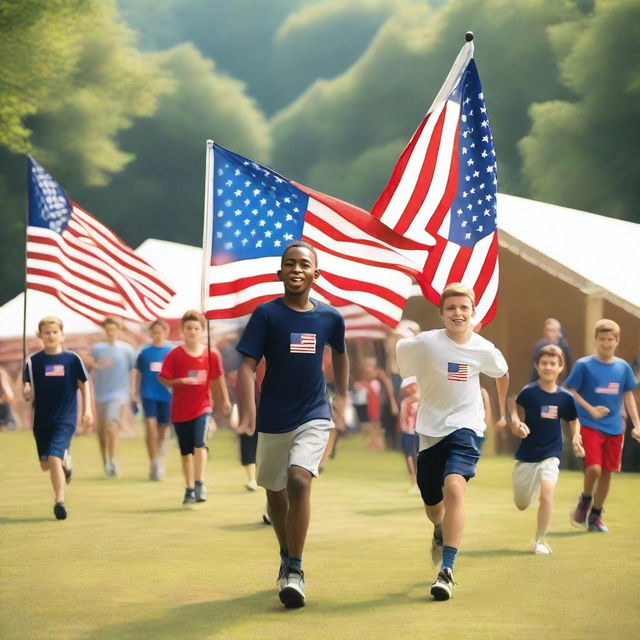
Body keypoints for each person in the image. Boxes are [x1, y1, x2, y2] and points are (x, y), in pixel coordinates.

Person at [236, 241, 348, 609]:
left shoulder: (330, 317)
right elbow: (247, 366)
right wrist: (248, 409)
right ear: (280, 273)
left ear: (316, 274)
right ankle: (286, 553)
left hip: (314, 413)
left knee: (300, 478)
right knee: (275, 494)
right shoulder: (266, 315)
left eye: (304, 264)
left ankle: (296, 570)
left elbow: (341, 354)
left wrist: (342, 396)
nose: (296, 269)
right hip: (272, 418)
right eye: (290, 264)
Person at [396, 282, 509, 601]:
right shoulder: (424, 344)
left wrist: (502, 413)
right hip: (430, 430)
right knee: (433, 505)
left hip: (466, 427)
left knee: (454, 486)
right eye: (451, 308)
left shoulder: (483, 348)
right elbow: (402, 357)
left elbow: (501, 373)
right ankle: (438, 529)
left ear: (474, 314)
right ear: (442, 313)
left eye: (464, 308)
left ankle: (447, 570)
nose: (458, 313)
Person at [566, 319, 640, 532]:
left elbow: (628, 395)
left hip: (616, 428)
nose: (606, 343)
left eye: (610, 340)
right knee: (595, 469)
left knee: (607, 472)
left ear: (617, 341)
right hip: (589, 425)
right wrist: (590, 410)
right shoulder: (584, 365)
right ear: (595, 340)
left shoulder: (623, 367)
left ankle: (596, 516)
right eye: (602, 339)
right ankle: (585, 499)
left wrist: (636, 424)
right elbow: (570, 390)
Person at [509, 345, 584, 554]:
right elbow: (512, 404)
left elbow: (573, 420)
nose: (548, 367)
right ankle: (530, 486)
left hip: (551, 454)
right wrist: (517, 423)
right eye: (544, 363)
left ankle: (541, 540)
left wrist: (576, 436)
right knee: (522, 504)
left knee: (548, 491)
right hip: (527, 456)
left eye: (553, 364)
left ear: (561, 368)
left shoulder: (565, 397)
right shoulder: (529, 392)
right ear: (537, 365)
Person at [23, 316, 92, 519]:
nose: (51, 335)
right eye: (47, 332)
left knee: (53, 457)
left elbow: (83, 384)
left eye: (55, 332)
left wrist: (87, 410)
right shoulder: (32, 361)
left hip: (66, 419)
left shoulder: (72, 359)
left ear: (62, 334)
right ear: (40, 336)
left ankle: (59, 501)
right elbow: (27, 386)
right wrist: (27, 391)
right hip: (42, 419)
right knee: (46, 464)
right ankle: (66, 463)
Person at [159, 310, 231, 505]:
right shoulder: (175, 354)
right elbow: (163, 379)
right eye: (188, 328)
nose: (192, 332)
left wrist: (224, 400)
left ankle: (200, 483)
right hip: (180, 411)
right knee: (186, 452)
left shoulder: (211, 355)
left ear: (202, 330)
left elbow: (218, 379)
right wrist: (178, 381)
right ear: (182, 330)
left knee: (200, 443)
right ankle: (189, 488)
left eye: (196, 328)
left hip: (202, 407)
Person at [88, 316, 135, 476]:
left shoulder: (127, 349)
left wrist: (132, 391)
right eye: (108, 330)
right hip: (100, 393)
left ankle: (113, 459)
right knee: (101, 431)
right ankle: (105, 462)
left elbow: (132, 370)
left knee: (111, 423)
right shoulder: (97, 349)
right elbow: (88, 366)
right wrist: (94, 364)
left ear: (119, 330)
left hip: (119, 393)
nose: (111, 332)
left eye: (113, 329)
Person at [134, 319, 173, 481]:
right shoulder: (144, 353)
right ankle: (154, 462)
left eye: (160, 332)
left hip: (166, 395)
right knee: (150, 427)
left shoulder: (171, 351)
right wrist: (134, 393)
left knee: (162, 431)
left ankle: (160, 450)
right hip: (148, 394)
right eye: (154, 332)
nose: (157, 335)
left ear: (165, 333)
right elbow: (138, 374)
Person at [530, 318, 571, 382]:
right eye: (547, 330)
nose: (549, 333)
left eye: (553, 330)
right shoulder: (539, 346)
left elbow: (568, 365)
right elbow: (535, 368)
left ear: (558, 332)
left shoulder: (564, 346)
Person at [398, 376, 420, 493]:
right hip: (408, 432)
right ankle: (413, 482)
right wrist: (404, 428)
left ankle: (421, 482)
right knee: (409, 456)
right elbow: (402, 417)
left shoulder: (421, 400)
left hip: (419, 432)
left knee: (419, 457)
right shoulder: (405, 402)